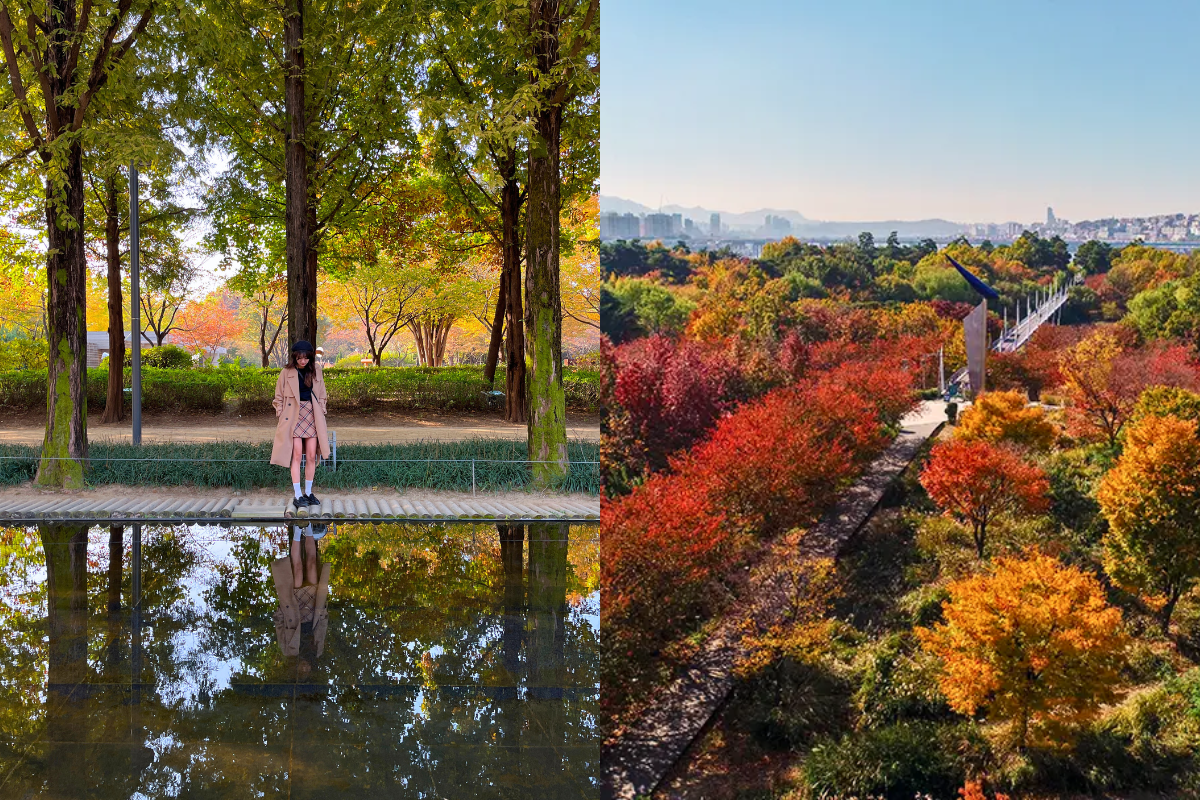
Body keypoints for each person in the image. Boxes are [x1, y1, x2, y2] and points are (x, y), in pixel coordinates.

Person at [271, 340, 331, 517]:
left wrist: (321, 410)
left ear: (310, 357)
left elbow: (322, 394)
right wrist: (281, 414)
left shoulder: (316, 370)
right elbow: (278, 397)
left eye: (305, 358)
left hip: (312, 414)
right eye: (299, 358)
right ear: (294, 357)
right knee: (296, 454)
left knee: (312, 455)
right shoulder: (286, 372)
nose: (303, 361)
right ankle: (297, 494)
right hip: (294, 415)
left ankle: (309, 492)